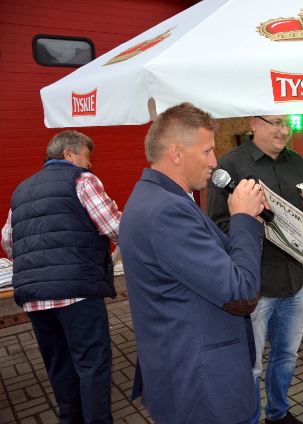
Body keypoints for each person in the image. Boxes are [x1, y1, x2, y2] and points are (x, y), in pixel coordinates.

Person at [119, 103, 267, 424]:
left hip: (188, 377)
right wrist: (242, 218)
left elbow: (213, 261)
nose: (214, 162)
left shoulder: (158, 197)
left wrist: (251, 220)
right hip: (202, 391)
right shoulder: (167, 210)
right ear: (176, 153)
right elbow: (241, 293)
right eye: (208, 151)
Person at [1, 131, 120, 424]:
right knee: (92, 365)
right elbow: (114, 227)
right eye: (86, 156)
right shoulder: (82, 180)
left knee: (59, 366)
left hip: (35, 298)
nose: (89, 164)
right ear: (68, 154)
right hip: (77, 292)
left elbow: (8, 242)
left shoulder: (21, 190)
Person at [207, 115, 303, 424]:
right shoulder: (230, 164)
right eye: (276, 123)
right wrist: (251, 223)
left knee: (287, 356)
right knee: (251, 365)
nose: (284, 131)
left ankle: (278, 414)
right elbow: (217, 226)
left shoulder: (298, 162)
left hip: (294, 280)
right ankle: (250, 418)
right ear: (254, 123)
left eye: (288, 124)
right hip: (255, 285)